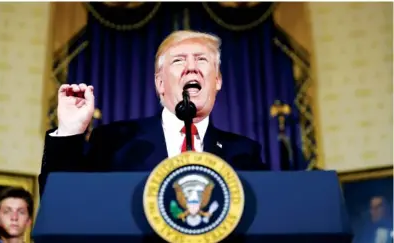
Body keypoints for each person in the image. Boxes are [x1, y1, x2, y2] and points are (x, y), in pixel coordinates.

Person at [39, 30, 269, 195]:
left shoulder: (244, 152)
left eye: (201, 59)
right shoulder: (114, 140)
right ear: (160, 83)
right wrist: (70, 131)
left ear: (217, 80)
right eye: (179, 60)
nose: (191, 67)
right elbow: (60, 200)